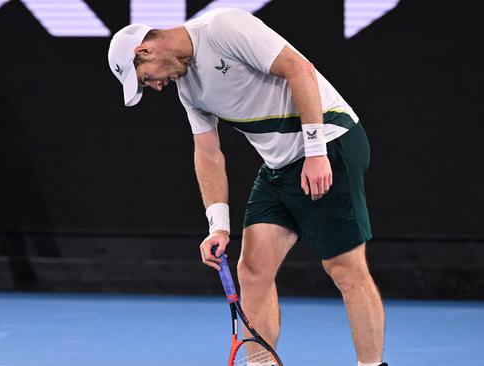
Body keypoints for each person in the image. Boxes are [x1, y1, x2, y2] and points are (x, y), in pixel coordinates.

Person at [108, 8, 386, 366]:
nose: (155, 87)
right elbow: (207, 153)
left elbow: (299, 69)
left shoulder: (223, 28)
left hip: (330, 140)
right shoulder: (188, 90)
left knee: (344, 268)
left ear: (143, 52)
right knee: (252, 269)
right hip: (279, 166)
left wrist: (316, 152)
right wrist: (218, 225)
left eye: (144, 79)